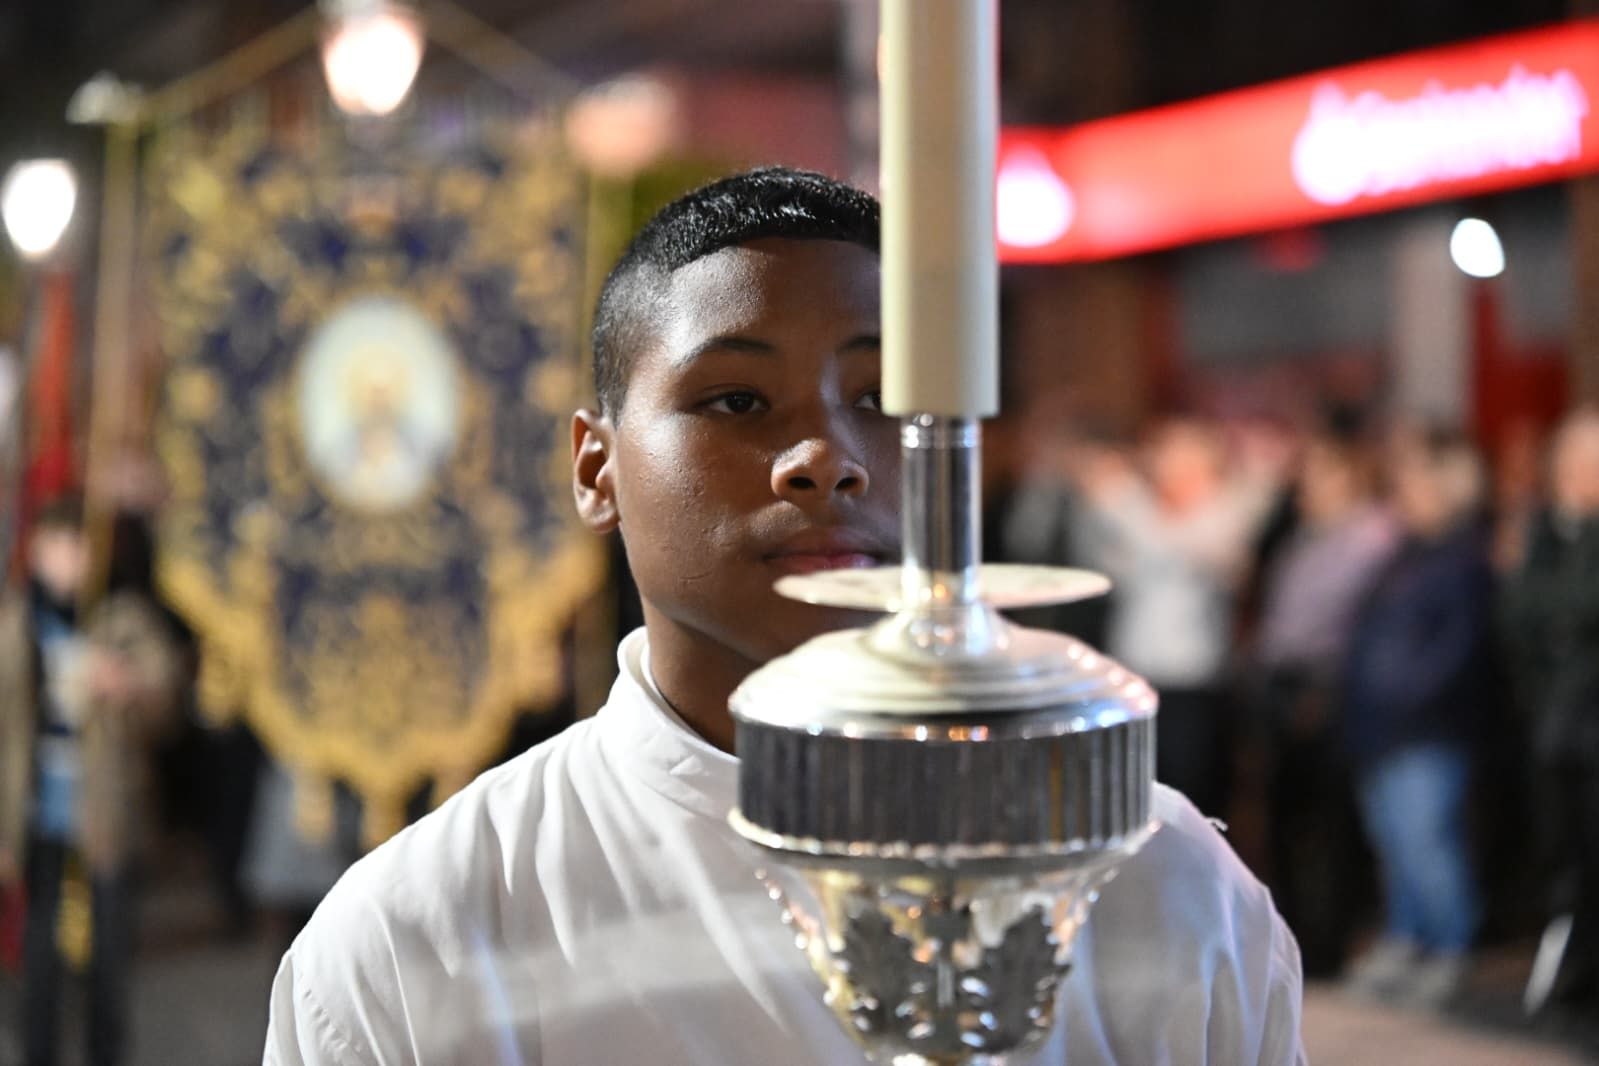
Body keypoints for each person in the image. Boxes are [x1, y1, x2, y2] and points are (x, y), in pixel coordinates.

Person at [263, 168, 1305, 1065]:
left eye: (884, 398)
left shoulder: (1155, 878)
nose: (828, 459)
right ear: (596, 466)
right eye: (737, 401)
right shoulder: (422, 935)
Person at [0, 496, 182, 1066]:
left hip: (103, 815)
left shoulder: (117, 618)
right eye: (56, 546)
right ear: (36, 552)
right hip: (37, 818)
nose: (68, 560)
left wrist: (127, 683)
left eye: (78, 546)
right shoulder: (17, 623)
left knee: (107, 958)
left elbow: (166, 688)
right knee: (40, 956)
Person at [1340, 428, 1492, 1008]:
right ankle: (1407, 938)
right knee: (1394, 842)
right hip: (1379, 725)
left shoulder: (1462, 562)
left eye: (1416, 484)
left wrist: (1401, 697)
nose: (1404, 495)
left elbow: (1455, 653)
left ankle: (1451, 948)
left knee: (1427, 841)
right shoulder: (1401, 556)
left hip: (1426, 728)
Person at [1249, 427, 1396, 977]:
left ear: (1350, 478)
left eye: (1319, 476)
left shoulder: (1371, 539)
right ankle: (1293, 932)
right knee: (1285, 821)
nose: (1306, 487)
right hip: (1284, 684)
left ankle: (1330, 942)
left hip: (1328, 689)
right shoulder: (1306, 536)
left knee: (1332, 828)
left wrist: (1321, 686)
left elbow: (1349, 624)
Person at [1073, 418, 1271, 817]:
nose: (1167, 463)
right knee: (1135, 785)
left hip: (1192, 678)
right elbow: (1104, 566)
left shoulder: (1225, 509)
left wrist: (1119, 503)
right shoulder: (1140, 508)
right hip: (1134, 670)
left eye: (1180, 453)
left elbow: (1183, 546)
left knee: (1190, 787)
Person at [1502, 408, 1599, 1014]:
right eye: (1571, 462)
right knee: (1565, 856)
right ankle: (1575, 973)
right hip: (1553, 727)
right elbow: (1517, 610)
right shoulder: (1543, 531)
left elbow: (1583, 602)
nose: (1577, 475)